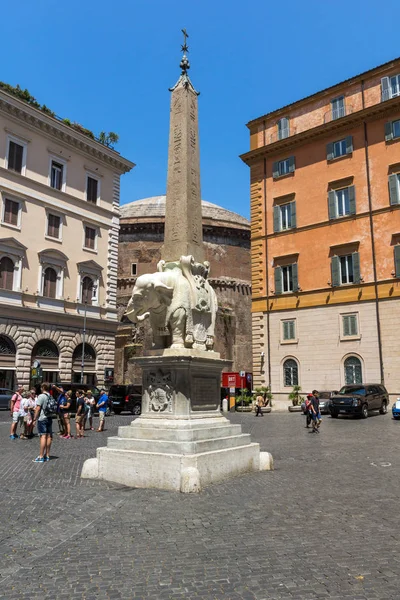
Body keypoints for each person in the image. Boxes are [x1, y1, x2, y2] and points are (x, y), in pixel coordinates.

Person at [32, 383, 53, 462]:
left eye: (41, 387)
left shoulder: (41, 396)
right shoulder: (50, 396)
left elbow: (38, 408)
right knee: (49, 436)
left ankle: (41, 456)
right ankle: (47, 455)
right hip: (49, 417)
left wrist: (34, 419)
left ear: (43, 387)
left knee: (43, 436)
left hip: (42, 418)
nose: (40, 388)